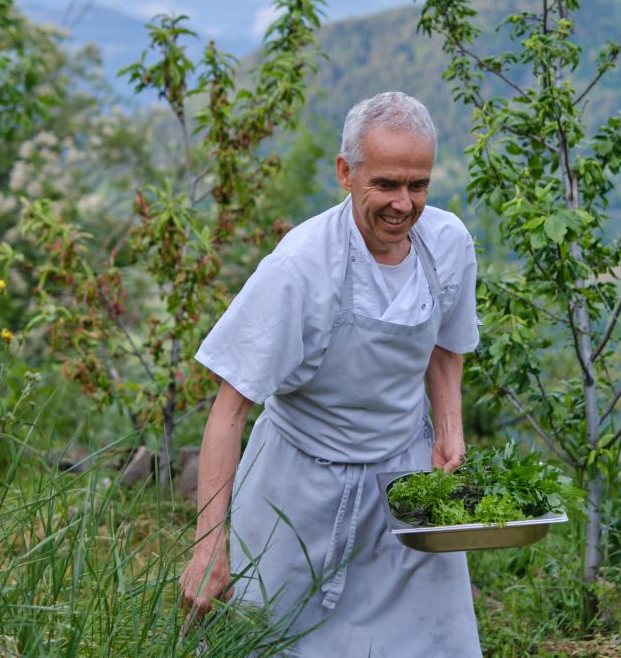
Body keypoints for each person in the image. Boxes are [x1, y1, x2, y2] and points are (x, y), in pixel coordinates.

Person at [178, 91, 483, 656]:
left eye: (418, 185)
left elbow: (446, 342)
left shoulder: (448, 244)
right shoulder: (300, 269)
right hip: (297, 493)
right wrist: (208, 545)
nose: (403, 203)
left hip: (404, 489)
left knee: (428, 644)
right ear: (346, 172)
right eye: (386, 184)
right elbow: (228, 411)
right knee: (273, 642)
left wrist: (448, 426)